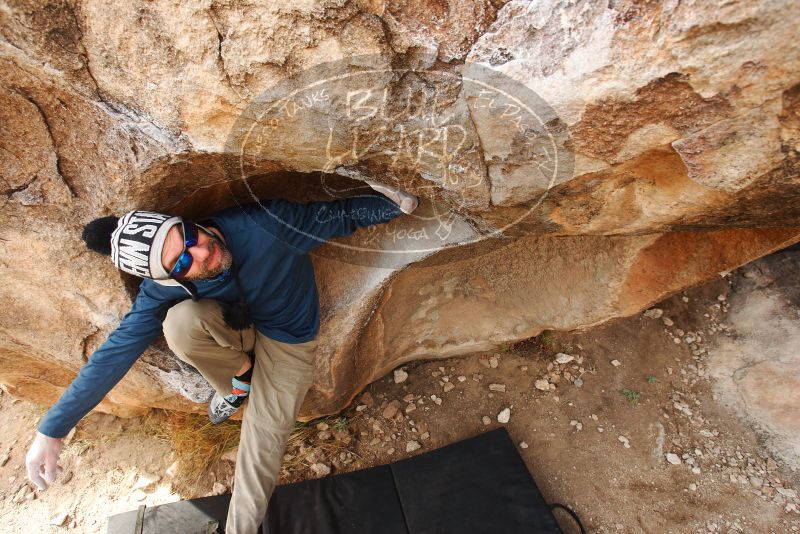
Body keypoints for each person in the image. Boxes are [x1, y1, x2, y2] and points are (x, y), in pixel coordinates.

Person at [24, 182, 419, 533]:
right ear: (169, 279)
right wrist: (53, 428)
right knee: (180, 324)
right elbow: (117, 351)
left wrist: (395, 204)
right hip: (234, 327)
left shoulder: (264, 226)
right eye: (182, 263)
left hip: (288, 338)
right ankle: (239, 377)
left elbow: (340, 216)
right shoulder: (161, 290)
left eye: (189, 236)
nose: (201, 251)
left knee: (262, 437)